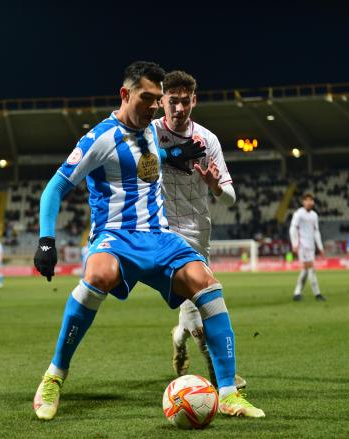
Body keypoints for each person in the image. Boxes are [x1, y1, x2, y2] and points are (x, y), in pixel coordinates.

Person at [32, 61, 264, 420]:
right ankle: (54, 376)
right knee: (97, 276)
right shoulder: (100, 138)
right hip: (115, 236)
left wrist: (178, 154)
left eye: (159, 99)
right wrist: (47, 240)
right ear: (125, 94)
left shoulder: (153, 133)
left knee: (208, 287)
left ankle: (230, 394)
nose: (155, 107)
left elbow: (154, 156)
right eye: (147, 98)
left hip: (159, 236)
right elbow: (55, 187)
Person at [153, 70, 245, 389]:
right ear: (161, 101)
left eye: (184, 102)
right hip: (163, 234)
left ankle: (179, 338)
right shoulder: (149, 135)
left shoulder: (208, 140)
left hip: (199, 234)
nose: (178, 109)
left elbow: (231, 197)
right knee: (199, 302)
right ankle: (221, 374)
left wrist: (214, 185)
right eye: (172, 102)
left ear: (194, 101)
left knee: (192, 303)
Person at [289, 193, 326, 301]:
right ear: (303, 202)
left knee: (305, 271)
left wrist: (320, 246)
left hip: (311, 246)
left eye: (311, 200)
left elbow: (316, 231)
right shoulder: (299, 214)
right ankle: (317, 294)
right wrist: (295, 244)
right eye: (307, 200)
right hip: (303, 246)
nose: (309, 202)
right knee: (311, 269)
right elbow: (293, 229)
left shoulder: (314, 215)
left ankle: (297, 293)